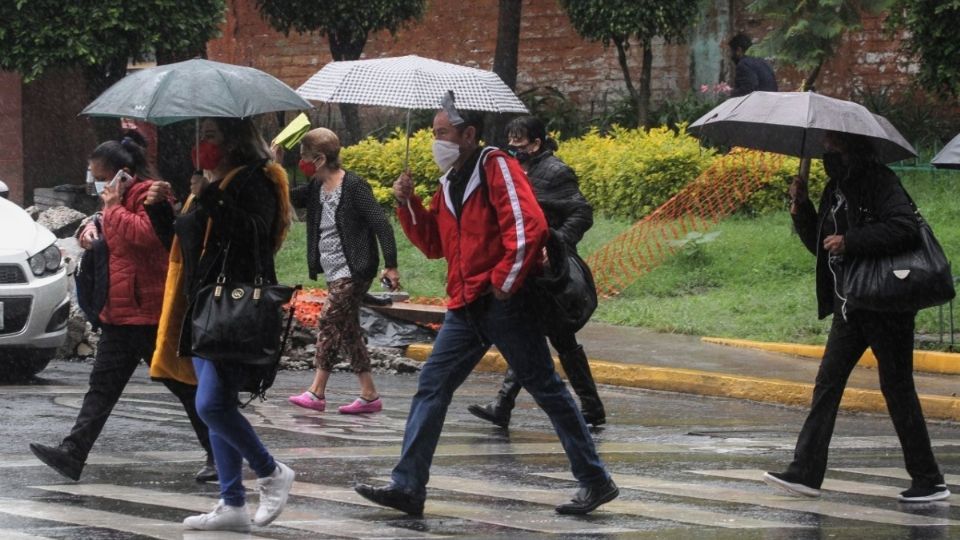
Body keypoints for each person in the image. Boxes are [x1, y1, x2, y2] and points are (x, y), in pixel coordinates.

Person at [353, 99, 618, 517]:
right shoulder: (449, 181)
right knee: (432, 387)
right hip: (467, 304)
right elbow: (434, 245)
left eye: (442, 133)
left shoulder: (496, 166)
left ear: (469, 135)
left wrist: (503, 284)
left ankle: (595, 480)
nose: (435, 141)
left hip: (502, 303)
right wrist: (406, 204)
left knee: (545, 387)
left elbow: (527, 229)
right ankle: (407, 486)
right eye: (434, 134)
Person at [763, 131, 950, 503]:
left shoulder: (879, 180)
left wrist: (852, 241)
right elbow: (822, 242)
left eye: (833, 146)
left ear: (852, 147)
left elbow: (904, 227)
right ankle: (805, 472)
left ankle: (929, 480)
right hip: (851, 303)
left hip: (886, 303)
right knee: (828, 384)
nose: (827, 152)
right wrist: (803, 210)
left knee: (896, 388)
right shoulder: (835, 187)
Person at [29, 132, 215, 483]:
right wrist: (94, 229)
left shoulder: (152, 193)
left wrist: (111, 209)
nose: (97, 184)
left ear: (124, 172)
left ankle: (220, 451)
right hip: (120, 310)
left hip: (148, 310)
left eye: (101, 177)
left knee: (182, 384)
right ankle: (73, 452)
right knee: (102, 387)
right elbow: (118, 244)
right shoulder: (114, 199)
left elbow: (147, 238)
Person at [146, 118, 296, 532]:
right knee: (217, 407)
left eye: (211, 136)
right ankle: (232, 503)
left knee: (211, 405)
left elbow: (254, 237)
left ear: (233, 142)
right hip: (203, 307)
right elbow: (187, 248)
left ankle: (270, 472)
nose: (202, 144)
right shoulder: (211, 183)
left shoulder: (256, 181)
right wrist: (160, 209)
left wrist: (212, 198)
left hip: (233, 308)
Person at [467, 116, 605, 428]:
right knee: (540, 334)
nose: (514, 149)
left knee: (548, 334)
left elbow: (581, 212)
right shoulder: (512, 171)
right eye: (510, 143)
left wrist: (555, 243)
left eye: (521, 143)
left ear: (537, 143)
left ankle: (507, 403)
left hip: (547, 271)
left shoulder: (555, 172)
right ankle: (587, 406)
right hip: (523, 264)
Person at [286, 127, 400, 414]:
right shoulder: (316, 188)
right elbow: (287, 197)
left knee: (328, 320)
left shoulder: (353, 186)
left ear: (320, 158)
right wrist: (274, 165)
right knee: (348, 331)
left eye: (305, 157)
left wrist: (391, 265)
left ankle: (317, 392)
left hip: (355, 270)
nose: (302, 162)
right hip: (333, 270)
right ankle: (369, 395)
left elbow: (381, 225)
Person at [728, 32, 777, 97]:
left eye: (731, 51)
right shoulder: (763, 62)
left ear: (739, 50)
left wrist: (731, 95)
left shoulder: (743, 64)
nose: (730, 55)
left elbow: (748, 88)